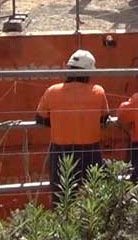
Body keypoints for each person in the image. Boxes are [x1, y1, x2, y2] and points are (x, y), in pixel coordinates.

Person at [36, 49, 109, 204]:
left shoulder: (52, 91)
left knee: (61, 197)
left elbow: (40, 119)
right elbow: (103, 120)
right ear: (89, 72)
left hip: (61, 152)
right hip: (91, 152)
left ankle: (61, 225)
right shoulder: (98, 91)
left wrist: (60, 122)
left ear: (69, 69)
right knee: (94, 199)